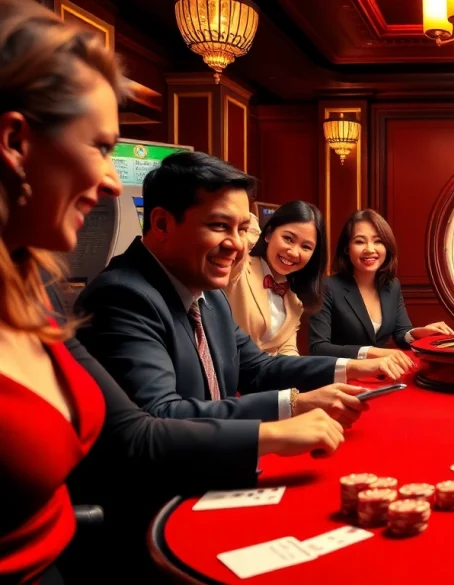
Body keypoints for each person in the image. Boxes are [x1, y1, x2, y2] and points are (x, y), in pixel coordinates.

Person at [0, 3, 341, 582]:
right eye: (100, 147)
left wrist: (312, 396)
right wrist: (276, 428)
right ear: (14, 141)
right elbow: (148, 430)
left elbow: (133, 429)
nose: (112, 181)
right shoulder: (122, 293)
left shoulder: (37, 295)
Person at [75, 152, 410, 425]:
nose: (236, 244)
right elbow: (162, 415)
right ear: (162, 223)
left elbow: (258, 368)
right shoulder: (122, 296)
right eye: (220, 225)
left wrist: (353, 368)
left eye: (242, 229)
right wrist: (293, 407)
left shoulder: (209, 294)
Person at [309, 209, 454, 360]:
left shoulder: (392, 285)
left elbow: (401, 333)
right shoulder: (326, 287)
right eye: (359, 241)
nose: (369, 249)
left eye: (378, 241)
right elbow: (318, 347)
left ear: (387, 247)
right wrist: (372, 352)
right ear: (347, 249)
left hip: (381, 371)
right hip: (342, 373)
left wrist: (419, 332)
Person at [226, 201, 327, 356]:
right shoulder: (239, 266)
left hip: (263, 372)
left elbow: (288, 352)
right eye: (288, 239)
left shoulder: (295, 302)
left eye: (306, 247)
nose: (294, 252)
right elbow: (240, 217)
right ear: (268, 234)